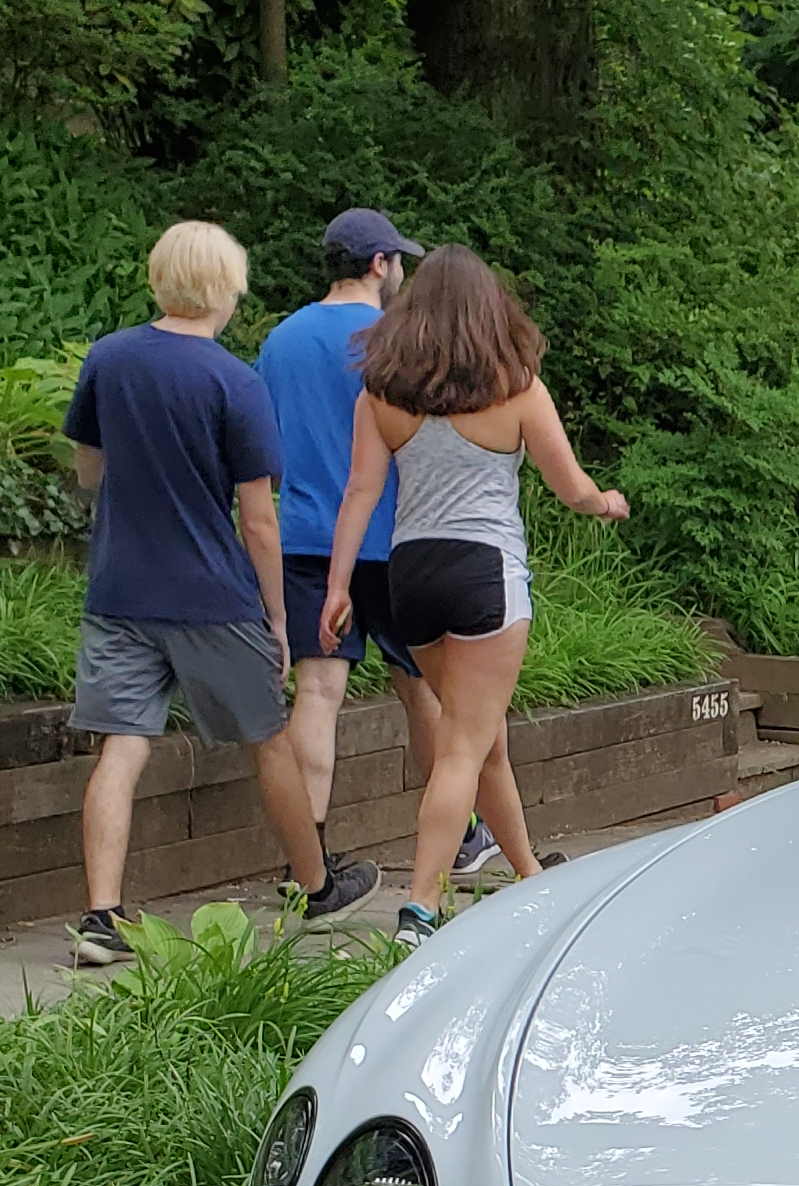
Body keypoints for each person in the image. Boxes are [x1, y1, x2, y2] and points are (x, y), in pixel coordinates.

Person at [60, 221, 378, 966]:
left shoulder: (109, 358)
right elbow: (258, 518)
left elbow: (88, 468)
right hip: (212, 595)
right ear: (226, 289)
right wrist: (277, 617)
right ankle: (316, 886)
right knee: (268, 739)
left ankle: (101, 917)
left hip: (119, 590)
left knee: (121, 746)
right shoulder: (235, 382)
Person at [321, 245, 627, 950]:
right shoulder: (518, 389)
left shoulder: (382, 394)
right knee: (463, 744)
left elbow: (361, 490)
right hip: (485, 570)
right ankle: (420, 907)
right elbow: (571, 488)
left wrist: (337, 587)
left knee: (483, 739)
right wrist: (605, 502)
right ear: (492, 310)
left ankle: (529, 875)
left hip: (411, 574)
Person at [257, 210, 504, 881]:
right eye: (397, 261)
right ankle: (460, 837)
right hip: (396, 537)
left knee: (317, 693)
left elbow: (264, 445)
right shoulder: (402, 340)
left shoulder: (280, 341)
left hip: (306, 537)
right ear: (377, 264)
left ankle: (308, 862)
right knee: (422, 691)